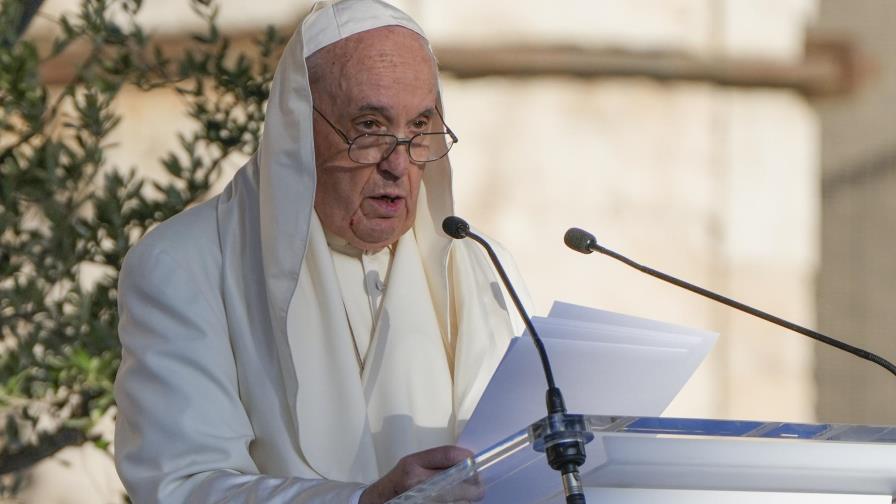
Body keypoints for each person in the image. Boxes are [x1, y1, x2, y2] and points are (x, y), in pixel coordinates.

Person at [113, 1, 529, 502]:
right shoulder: (186, 265)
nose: (399, 164)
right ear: (297, 130)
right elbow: (182, 486)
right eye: (370, 126)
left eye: (419, 126)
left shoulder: (480, 264)